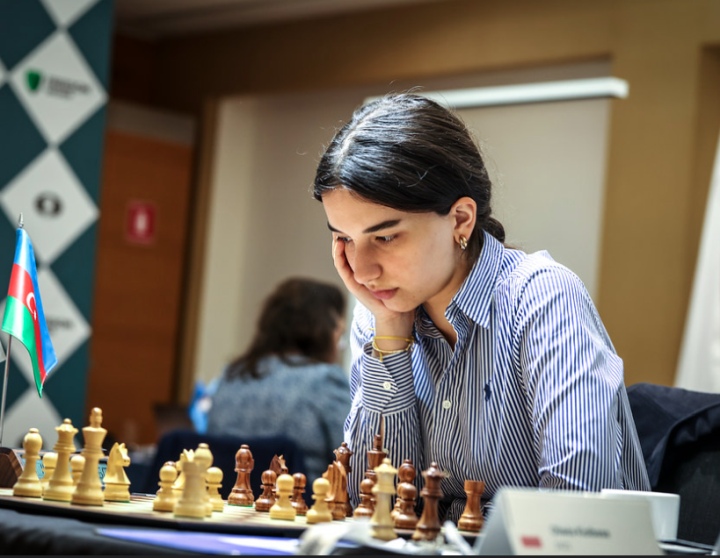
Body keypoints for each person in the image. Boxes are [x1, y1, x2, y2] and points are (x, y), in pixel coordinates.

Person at [312, 92, 651, 522]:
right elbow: (379, 505)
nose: (361, 270)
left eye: (384, 237)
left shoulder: (542, 298)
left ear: (460, 220)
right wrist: (390, 332)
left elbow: (576, 509)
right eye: (343, 238)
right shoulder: (379, 317)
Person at [206, 277, 352, 483]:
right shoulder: (325, 379)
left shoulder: (233, 374)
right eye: (339, 336)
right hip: (299, 507)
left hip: (226, 505)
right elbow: (354, 461)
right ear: (323, 331)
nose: (339, 347)